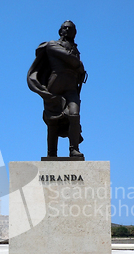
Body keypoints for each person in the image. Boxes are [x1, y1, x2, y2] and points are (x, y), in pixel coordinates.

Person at [27, 20, 87, 158]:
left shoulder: (76, 49)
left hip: (71, 88)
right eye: (65, 28)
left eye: (71, 29)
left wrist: (79, 70)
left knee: (74, 114)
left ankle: (74, 149)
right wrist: (78, 64)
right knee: (53, 120)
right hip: (55, 86)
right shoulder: (52, 45)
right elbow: (67, 58)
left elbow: (75, 65)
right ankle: (51, 154)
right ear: (60, 31)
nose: (68, 30)